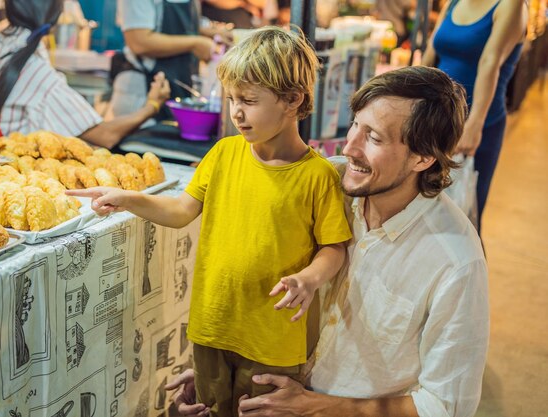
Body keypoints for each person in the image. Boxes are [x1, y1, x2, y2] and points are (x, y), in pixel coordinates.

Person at [166, 66, 490, 417]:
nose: (350, 147)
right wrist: (220, 370)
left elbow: (445, 405)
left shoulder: (456, 262)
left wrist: (316, 406)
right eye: (355, 125)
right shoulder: (321, 180)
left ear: (423, 158)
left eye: (375, 138)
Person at [68, 26, 352, 417]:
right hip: (211, 327)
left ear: (292, 100)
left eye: (249, 101)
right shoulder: (222, 153)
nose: (236, 111)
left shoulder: (316, 175)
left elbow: (334, 247)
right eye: (232, 98)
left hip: (273, 340)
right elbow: (181, 210)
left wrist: (310, 278)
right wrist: (128, 198)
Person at [0, 0, 170, 149]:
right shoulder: (39, 75)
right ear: (56, 15)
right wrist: (151, 106)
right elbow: (105, 135)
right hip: (10, 169)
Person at [423, 0, 528, 233]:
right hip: (437, 118)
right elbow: (431, 54)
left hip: (478, 122)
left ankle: (471, 269)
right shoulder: (454, 2)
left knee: (463, 218)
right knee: (425, 213)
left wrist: (474, 124)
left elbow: (490, 61)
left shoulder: (510, 5)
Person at [111, 0, 230, 119]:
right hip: (142, 95)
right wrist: (194, 43)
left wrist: (209, 32)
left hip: (179, 88)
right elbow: (139, 41)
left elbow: (181, 24)